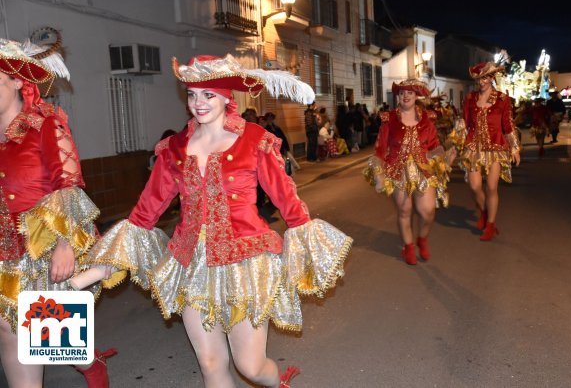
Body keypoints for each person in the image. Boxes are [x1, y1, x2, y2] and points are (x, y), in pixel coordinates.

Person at [70, 54, 353, 388]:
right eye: (191, 94)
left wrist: (310, 247)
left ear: (226, 97)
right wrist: (94, 272)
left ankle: (279, 383)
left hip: (246, 263)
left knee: (251, 367)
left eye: (208, 95)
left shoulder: (254, 140)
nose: (198, 103)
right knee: (210, 363)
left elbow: (288, 202)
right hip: (193, 266)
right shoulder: (174, 148)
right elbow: (144, 214)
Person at [0, 36, 116, 387]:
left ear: (17, 80)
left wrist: (67, 242)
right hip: (4, 248)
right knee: (9, 327)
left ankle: (90, 364)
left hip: (43, 244)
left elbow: (68, 181)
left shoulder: (45, 122)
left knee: (50, 338)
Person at [364, 79, 451, 265]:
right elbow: (380, 149)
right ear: (398, 96)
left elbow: (435, 145)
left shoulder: (427, 119)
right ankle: (409, 247)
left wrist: (443, 156)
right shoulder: (389, 119)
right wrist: (379, 175)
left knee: (427, 211)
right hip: (397, 170)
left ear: (415, 96)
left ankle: (422, 238)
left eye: (410, 93)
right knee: (405, 209)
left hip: (423, 169)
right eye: (402, 92)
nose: (405, 96)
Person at [456, 62, 521, 241]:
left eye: (485, 77)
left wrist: (514, 148)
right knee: (475, 186)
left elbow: (508, 125)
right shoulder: (469, 98)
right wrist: (455, 145)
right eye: (479, 78)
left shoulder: (502, 99)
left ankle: (491, 225)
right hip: (474, 147)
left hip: (496, 148)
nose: (482, 81)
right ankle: (484, 212)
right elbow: (465, 123)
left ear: (492, 78)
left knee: (491, 187)